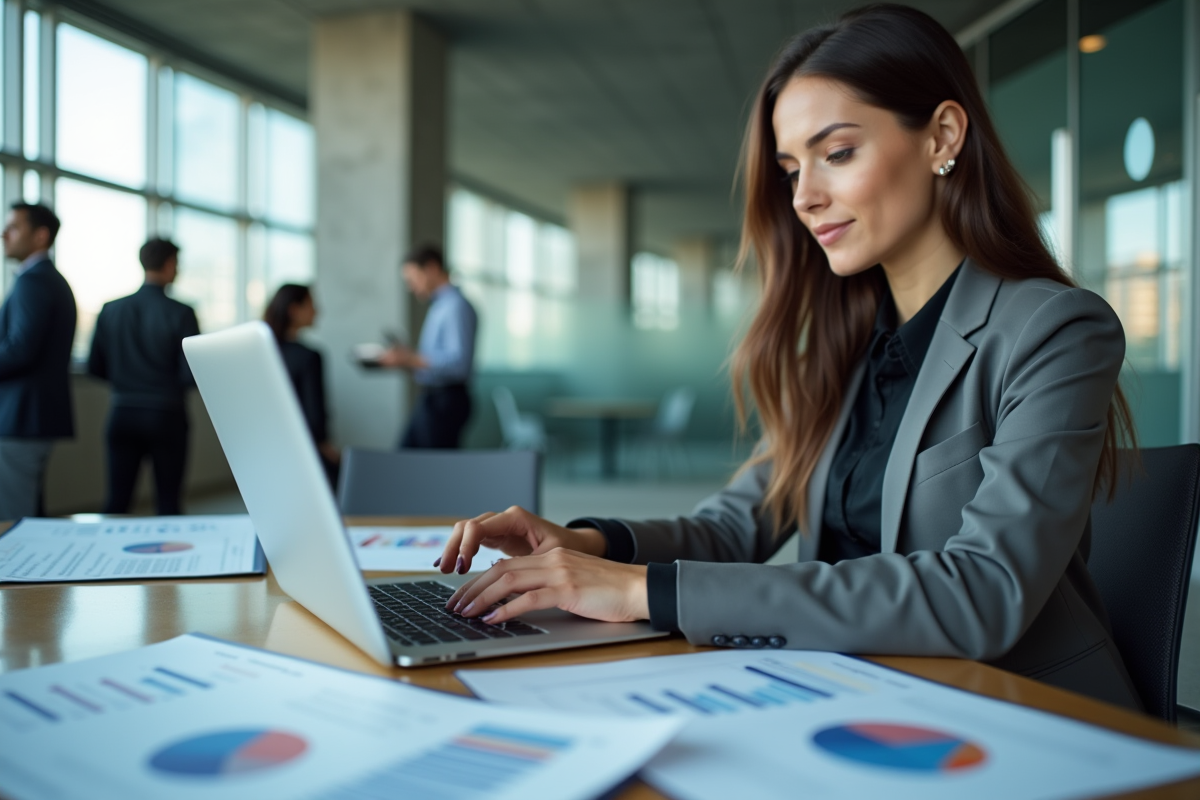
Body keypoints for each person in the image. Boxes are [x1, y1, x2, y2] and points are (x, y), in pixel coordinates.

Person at [434, 4, 1144, 711]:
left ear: (942, 138)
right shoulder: (840, 345)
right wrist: (585, 543)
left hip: (1019, 712)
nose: (804, 197)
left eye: (837, 153)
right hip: (851, 692)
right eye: (790, 167)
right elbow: (735, 528)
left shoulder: (1054, 330)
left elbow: (984, 592)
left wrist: (641, 591)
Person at [88, 238, 200, 515]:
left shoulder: (111, 309)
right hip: (167, 415)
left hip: (122, 412)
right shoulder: (181, 313)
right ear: (170, 263)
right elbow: (190, 374)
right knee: (168, 503)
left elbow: (95, 366)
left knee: (117, 503)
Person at [0, 203, 75, 520]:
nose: (4, 233)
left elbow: (20, 349)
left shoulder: (34, 280)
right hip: (31, 414)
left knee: (14, 520)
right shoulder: (46, 279)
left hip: (23, 415)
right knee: (28, 513)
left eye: (15, 227)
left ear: (41, 235)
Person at [379, 245, 478, 449]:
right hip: (432, 397)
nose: (411, 286)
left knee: (434, 471)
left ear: (432, 268)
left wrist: (409, 358)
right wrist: (406, 360)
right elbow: (435, 359)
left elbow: (458, 363)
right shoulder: (440, 306)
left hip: (446, 400)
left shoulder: (455, 306)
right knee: (408, 460)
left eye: (413, 279)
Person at [263, 283, 339, 485]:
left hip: (268, 447)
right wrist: (325, 445)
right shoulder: (309, 357)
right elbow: (315, 415)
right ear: (294, 310)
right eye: (311, 305)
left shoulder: (261, 353)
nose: (317, 311)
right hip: (304, 450)